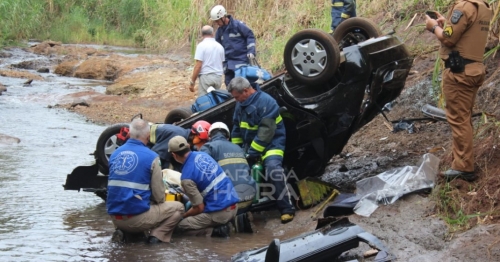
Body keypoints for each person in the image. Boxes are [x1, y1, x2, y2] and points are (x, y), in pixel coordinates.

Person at [425, 1, 492, 181]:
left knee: (458, 119)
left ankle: (463, 168)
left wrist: (433, 28)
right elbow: (465, 32)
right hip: (473, 70)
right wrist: (446, 22)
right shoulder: (482, 7)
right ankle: (463, 162)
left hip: (459, 73)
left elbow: (448, 38)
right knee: (464, 117)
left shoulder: (463, 7)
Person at [227, 77, 295, 224]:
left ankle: (286, 209)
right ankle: (241, 210)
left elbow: (266, 133)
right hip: (251, 147)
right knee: (237, 173)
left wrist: (252, 154)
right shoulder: (240, 104)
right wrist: (236, 152)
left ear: (246, 91)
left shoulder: (266, 102)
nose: (236, 100)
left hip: (272, 144)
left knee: (273, 170)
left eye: (237, 97)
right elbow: (237, 130)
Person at [106, 118, 185, 244]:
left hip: (115, 218)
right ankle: (157, 238)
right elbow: (159, 197)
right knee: (178, 207)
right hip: (135, 220)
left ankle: (126, 233)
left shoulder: (115, 154)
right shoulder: (152, 157)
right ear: (148, 136)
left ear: (130, 133)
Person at [169, 135, 240, 237]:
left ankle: (216, 232)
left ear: (174, 155)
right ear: (188, 146)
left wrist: (184, 216)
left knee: (179, 226)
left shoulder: (186, 177)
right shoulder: (203, 155)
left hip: (221, 212)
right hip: (234, 206)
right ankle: (229, 223)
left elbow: (199, 208)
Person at [199, 122, 257, 214]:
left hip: (228, 204)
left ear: (209, 137)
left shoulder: (208, 147)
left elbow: (200, 173)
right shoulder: (238, 148)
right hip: (249, 198)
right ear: (227, 137)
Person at [210, 5, 256, 87]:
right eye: (215, 22)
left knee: (242, 87)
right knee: (230, 87)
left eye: (218, 21)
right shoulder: (219, 32)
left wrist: (251, 51)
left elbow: (250, 36)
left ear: (223, 17)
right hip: (228, 66)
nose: (217, 23)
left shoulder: (238, 25)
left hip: (241, 62)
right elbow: (217, 48)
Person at [189, 25, 225, 96]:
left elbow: (198, 66)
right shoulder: (220, 46)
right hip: (218, 78)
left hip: (206, 77)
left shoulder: (201, 46)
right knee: (216, 99)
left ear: (202, 34)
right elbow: (222, 63)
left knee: (205, 101)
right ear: (213, 33)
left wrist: (192, 82)